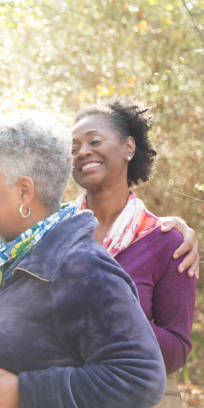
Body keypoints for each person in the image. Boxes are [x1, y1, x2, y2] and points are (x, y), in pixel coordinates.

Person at [0, 112, 167, 407]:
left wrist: (24, 391)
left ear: (24, 191)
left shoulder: (80, 267)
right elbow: (6, 320)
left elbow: (140, 379)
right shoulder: (12, 256)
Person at [71, 98, 197, 407]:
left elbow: (177, 351)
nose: (82, 151)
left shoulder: (167, 242)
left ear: (128, 148)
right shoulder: (55, 234)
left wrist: (118, 313)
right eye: (74, 148)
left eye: (94, 141)